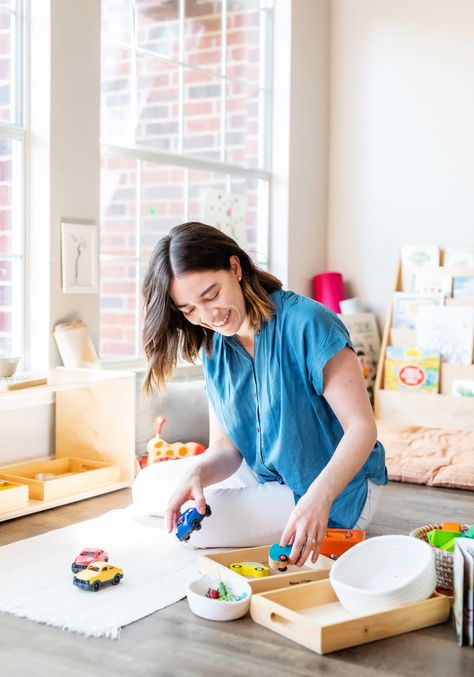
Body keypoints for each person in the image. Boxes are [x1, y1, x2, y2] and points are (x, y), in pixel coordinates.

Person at [134, 222, 387, 567]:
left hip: (331, 490)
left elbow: (362, 428)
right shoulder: (213, 347)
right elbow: (226, 449)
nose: (208, 316)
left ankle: (258, 507)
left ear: (235, 268)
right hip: (262, 472)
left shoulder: (308, 323)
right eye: (190, 310)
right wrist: (198, 474)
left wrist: (317, 499)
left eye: (211, 295)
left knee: (198, 530)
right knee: (147, 486)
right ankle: (241, 502)